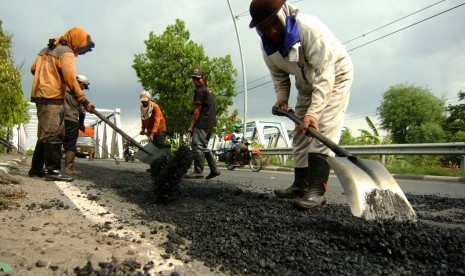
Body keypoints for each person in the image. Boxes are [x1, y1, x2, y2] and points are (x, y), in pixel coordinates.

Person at [249, 0, 354, 209]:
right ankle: (300, 184)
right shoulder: (268, 47)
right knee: (299, 133)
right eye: (264, 28)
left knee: (321, 129)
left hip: (335, 77)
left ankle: (316, 191)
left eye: (274, 24)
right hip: (305, 85)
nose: (271, 31)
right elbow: (279, 76)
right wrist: (282, 98)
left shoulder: (311, 31)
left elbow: (325, 76)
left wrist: (313, 114)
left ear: (283, 15)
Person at [28, 27, 96, 182]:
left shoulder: (46, 49)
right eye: (82, 47)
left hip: (39, 95)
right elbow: (71, 79)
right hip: (52, 96)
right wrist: (84, 101)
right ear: (77, 40)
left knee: (45, 134)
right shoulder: (66, 52)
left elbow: (33, 69)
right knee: (54, 133)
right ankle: (53, 171)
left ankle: (36, 169)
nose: (82, 51)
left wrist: (45, 77)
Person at [184, 68, 221, 180]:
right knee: (203, 147)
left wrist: (191, 126)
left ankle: (198, 171)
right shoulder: (208, 90)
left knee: (197, 145)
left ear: (203, 79)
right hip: (210, 122)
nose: (195, 81)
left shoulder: (200, 91)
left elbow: (198, 110)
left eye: (197, 79)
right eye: (193, 79)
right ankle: (214, 169)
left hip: (202, 122)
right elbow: (206, 107)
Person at [62, 74, 90, 176]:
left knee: (57, 141)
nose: (84, 89)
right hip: (72, 120)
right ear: (81, 84)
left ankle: (51, 168)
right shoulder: (80, 94)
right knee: (71, 144)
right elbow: (82, 112)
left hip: (60, 119)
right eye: (84, 86)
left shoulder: (64, 88)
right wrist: (81, 124)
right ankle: (69, 169)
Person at [139, 90, 170, 172]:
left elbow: (157, 121)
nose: (144, 103)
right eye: (142, 101)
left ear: (149, 100)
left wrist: (153, 133)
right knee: (151, 148)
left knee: (157, 148)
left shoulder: (155, 107)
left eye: (145, 101)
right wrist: (143, 129)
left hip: (160, 130)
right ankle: (153, 167)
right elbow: (143, 118)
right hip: (150, 130)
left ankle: (164, 165)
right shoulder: (142, 107)